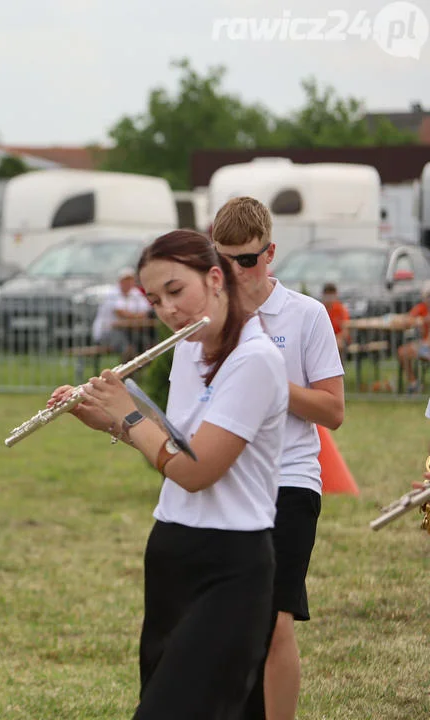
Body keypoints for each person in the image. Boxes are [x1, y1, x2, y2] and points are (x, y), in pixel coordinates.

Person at [53, 229, 288, 718]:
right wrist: (111, 421)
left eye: (176, 291)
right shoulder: (188, 351)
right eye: (155, 299)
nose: (167, 311)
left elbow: (195, 470)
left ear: (216, 278)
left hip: (233, 560)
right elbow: (174, 440)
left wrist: (131, 416)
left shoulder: (257, 359)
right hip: (172, 548)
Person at [211, 196, 345, 720]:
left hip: (290, 479)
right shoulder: (210, 317)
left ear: (270, 254)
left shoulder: (305, 315)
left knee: (275, 621)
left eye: (246, 260)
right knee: (231, 623)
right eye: (223, 260)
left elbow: (333, 410)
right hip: (227, 481)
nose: (235, 272)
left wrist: (267, 382)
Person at [91, 267, 153, 361]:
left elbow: (145, 312)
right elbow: (121, 313)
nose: (128, 283)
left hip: (126, 330)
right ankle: (125, 374)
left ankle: (138, 373)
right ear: (120, 281)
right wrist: (137, 316)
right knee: (128, 349)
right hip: (107, 332)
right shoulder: (112, 294)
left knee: (147, 344)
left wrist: (133, 316)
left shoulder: (135, 293)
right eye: (125, 280)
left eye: (130, 280)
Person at [398, 281, 430, 393]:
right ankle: (414, 383)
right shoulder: (422, 308)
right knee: (403, 352)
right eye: (428, 296)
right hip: (424, 347)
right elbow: (407, 320)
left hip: (426, 346)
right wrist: (418, 321)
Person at [321, 283, 350, 351]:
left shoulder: (340, 309)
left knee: (337, 344)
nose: (329, 299)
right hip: (324, 339)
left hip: (338, 339)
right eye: (327, 295)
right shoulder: (320, 309)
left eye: (331, 295)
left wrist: (333, 339)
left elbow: (345, 332)